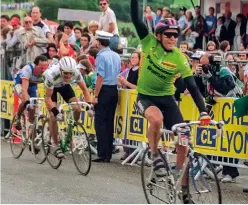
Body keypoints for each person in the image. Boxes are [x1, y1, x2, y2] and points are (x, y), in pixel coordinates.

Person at [130, 0, 211, 203]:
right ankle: (155, 154)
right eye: (168, 35)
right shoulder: (149, 42)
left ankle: (184, 190)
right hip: (145, 97)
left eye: (175, 35)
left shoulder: (178, 57)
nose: (172, 38)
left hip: (167, 99)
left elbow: (192, 86)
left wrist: (203, 111)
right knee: (156, 120)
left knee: (184, 138)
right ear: (159, 35)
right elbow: (135, 18)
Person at [42, 56, 91, 158]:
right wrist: (55, 111)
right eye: (65, 73)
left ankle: (69, 132)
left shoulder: (76, 73)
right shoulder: (52, 75)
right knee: (53, 116)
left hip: (64, 86)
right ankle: (55, 145)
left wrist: (89, 106)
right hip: (52, 88)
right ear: (60, 70)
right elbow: (48, 98)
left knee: (77, 108)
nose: (68, 76)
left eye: (70, 73)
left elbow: (85, 89)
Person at [92, 30, 121, 162]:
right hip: (114, 89)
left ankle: (102, 153)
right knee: (109, 122)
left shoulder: (101, 56)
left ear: (99, 42)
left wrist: (96, 95)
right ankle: (108, 153)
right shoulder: (116, 56)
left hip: (104, 90)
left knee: (100, 123)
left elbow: (100, 77)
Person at [13, 55, 49, 130]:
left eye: (45, 68)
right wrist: (28, 102)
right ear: (35, 65)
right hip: (20, 83)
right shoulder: (28, 69)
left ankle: (31, 125)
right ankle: (17, 117)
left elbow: (49, 88)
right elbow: (24, 90)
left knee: (33, 106)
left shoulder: (47, 72)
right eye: (41, 68)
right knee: (26, 100)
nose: (43, 70)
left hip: (32, 85)